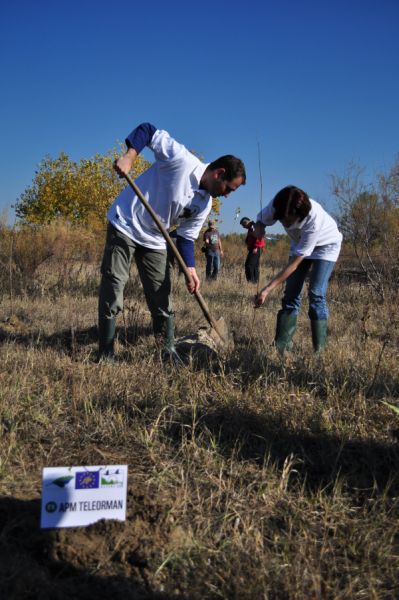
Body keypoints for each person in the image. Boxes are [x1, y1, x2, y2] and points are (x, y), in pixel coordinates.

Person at [98, 122, 246, 361]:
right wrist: (129, 157)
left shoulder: (204, 203)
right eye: (229, 188)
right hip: (125, 222)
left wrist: (190, 269)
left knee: (162, 296)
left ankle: (167, 351)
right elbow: (147, 130)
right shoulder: (181, 160)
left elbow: (187, 238)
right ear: (219, 173)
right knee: (114, 285)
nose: (227, 195)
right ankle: (105, 352)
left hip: (156, 237)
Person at [254, 185, 342, 354]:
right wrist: (259, 229)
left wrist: (267, 289)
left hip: (326, 246)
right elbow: (261, 221)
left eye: (289, 220)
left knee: (316, 294)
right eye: (282, 220)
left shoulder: (313, 220)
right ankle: (282, 346)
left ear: (300, 215)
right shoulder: (279, 205)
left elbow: (294, 265)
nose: (285, 223)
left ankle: (319, 351)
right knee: (291, 293)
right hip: (300, 244)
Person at [240, 217, 265, 283]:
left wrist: (256, 247)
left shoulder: (253, 226)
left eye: (243, 225)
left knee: (249, 265)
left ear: (246, 222)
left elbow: (259, 236)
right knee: (254, 265)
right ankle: (255, 281)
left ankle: (251, 282)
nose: (243, 227)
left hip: (256, 248)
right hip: (256, 248)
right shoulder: (251, 227)